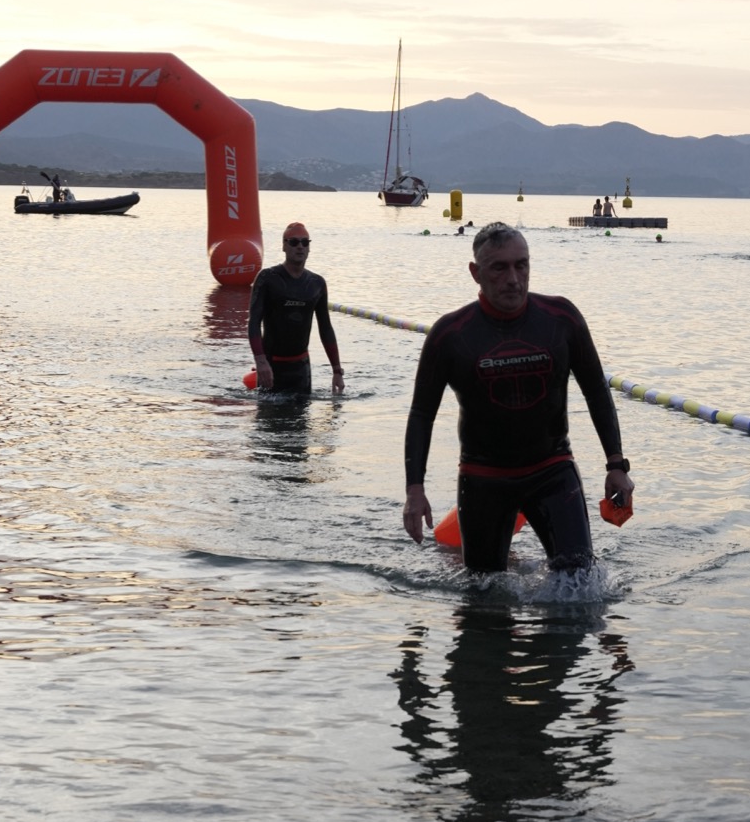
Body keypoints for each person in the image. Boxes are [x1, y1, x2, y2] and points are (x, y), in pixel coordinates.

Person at [402, 221, 632, 573]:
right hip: (483, 478)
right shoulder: (450, 334)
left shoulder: (561, 318)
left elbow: (596, 390)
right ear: (476, 273)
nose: (513, 278)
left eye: (521, 265)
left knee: (580, 582)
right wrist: (415, 490)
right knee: (483, 592)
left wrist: (616, 465)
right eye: (499, 267)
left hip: (552, 470)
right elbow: (421, 414)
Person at [247, 222, 345, 395]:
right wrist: (261, 362)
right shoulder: (268, 278)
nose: (300, 247)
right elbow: (254, 323)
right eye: (294, 242)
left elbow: (326, 328)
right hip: (271, 365)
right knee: (268, 411)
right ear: (284, 246)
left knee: (303, 411)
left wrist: (337, 370)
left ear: (309, 248)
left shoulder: (317, 283)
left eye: (305, 242)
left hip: (301, 368)